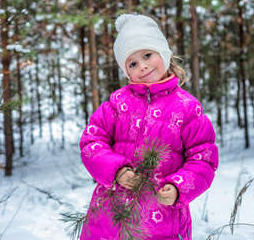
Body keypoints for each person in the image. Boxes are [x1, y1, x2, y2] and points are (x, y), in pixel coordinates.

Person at [79, 14, 218, 240]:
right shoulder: (117, 103)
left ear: (163, 54)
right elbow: (92, 141)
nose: (142, 66)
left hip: (161, 218)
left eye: (147, 55)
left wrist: (178, 188)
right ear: (126, 71)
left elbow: (203, 157)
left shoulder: (187, 108)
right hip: (110, 216)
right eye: (132, 63)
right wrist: (116, 171)